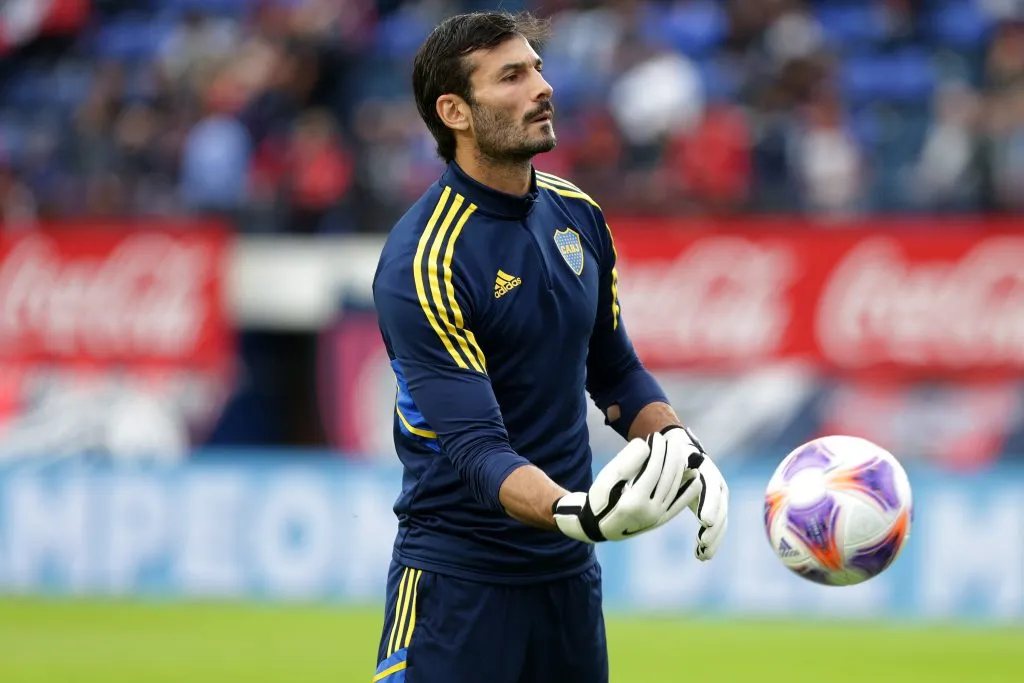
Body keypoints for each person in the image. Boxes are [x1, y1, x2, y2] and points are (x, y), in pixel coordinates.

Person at [370, 11, 729, 683]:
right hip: (459, 586)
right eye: (512, 76)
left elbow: (614, 369)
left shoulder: (578, 213)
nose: (543, 86)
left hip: (567, 586)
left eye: (537, 66)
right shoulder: (425, 257)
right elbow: (477, 448)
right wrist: (577, 509)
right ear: (456, 111)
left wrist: (683, 448)